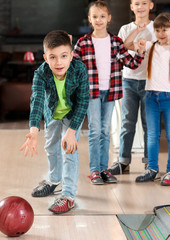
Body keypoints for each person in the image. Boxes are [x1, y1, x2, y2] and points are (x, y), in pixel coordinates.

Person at [73, 0, 144, 185]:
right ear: (90, 19)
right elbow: (72, 68)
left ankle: (104, 169)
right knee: (95, 130)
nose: (99, 20)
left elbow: (132, 64)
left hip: (110, 92)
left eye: (102, 16)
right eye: (95, 17)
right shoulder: (82, 43)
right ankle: (94, 171)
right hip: (91, 93)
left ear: (109, 19)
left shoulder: (116, 42)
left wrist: (140, 52)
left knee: (105, 131)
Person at [19, 30, 90, 213]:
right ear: (45, 57)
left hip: (72, 115)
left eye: (64, 56)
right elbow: (37, 101)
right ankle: (54, 179)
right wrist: (34, 130)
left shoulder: (80, 69)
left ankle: (68, 195)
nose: (59, 62)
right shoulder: (41, 73)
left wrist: (72, 131)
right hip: (52, 114)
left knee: (69, 151)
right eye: (53, 57)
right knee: (50, 147)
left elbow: (83, 102)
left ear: (71, 55)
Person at [128, 12, 170, 185]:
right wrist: (138, 30)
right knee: (152, 135)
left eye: (165, 29)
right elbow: (127, 44)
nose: (161, 33)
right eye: (158, 30)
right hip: (151, 97)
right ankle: (152, 168)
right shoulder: (150, 45)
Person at [108, 0, 156, 176]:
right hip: (128, 80)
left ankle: (149, 163)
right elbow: (122, 50)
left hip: (150, 82)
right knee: (127, 123)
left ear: (151, 5)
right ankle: (123, 161)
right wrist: (136, 39)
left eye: (144, 3)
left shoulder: (156, 28)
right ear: (132, 7)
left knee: (148, 124)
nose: (140, 6)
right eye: (137, 3)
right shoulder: (126, 29)